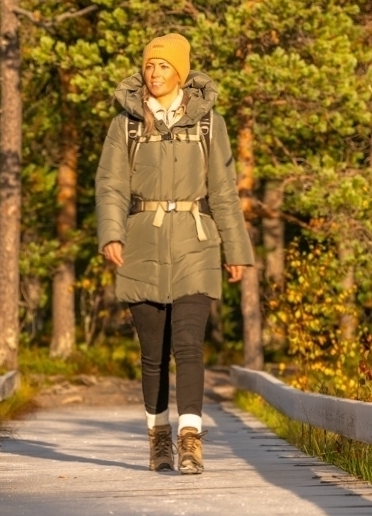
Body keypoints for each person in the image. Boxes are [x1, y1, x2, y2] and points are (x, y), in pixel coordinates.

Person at [95, 33, 254, 475]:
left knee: (188, 344)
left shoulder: (209, 125)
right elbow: (110, 184)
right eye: (149, 66)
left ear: (180, 72)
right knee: (153, 353)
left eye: (163, 66)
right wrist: (111, 233)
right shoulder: (125, 125)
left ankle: (190, 439)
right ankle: (158, 437)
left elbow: (223, 191)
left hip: (196, 241)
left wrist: (235, 248)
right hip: (141, 241)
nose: (155, 73)